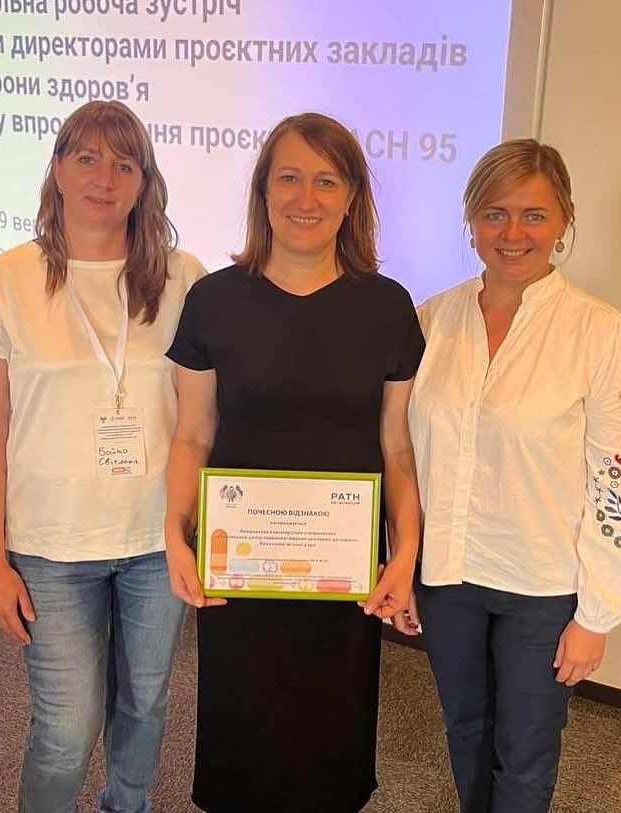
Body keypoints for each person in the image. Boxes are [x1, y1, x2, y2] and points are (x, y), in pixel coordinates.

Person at [162, 112, 425, 813]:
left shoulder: (388, 308)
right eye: (289, 177)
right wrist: (175, 534)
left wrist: (405, 552)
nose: (306, 198)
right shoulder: (214, 300)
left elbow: (396, 448)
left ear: (352, 196)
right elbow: (192, 436)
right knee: (244, 741)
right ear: (263, 190)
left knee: (327, 748)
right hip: (240, 568)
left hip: (341, 575)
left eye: (326, 180)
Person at [0, 100, 205, 813]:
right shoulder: (4, 281)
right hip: (50, 547)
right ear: (58, 169)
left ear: (144, 181)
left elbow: (197, 422)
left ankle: (126, 805)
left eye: (124, 164)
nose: (105, 178)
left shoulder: (182, 278)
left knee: (144, 705)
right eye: (88, 158)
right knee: (67, 727)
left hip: (156, 540)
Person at [407, 139, 621, 813]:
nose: (512, 232)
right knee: (466, 730)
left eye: (533, 215)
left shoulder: (604, 333)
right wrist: (402, 559)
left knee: (525, 755)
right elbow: (408, 455)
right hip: (448, 574)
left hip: (542, 585)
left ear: (564, 219)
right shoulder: (431, 320)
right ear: (470, 220)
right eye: (495, 213)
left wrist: (597, 614)